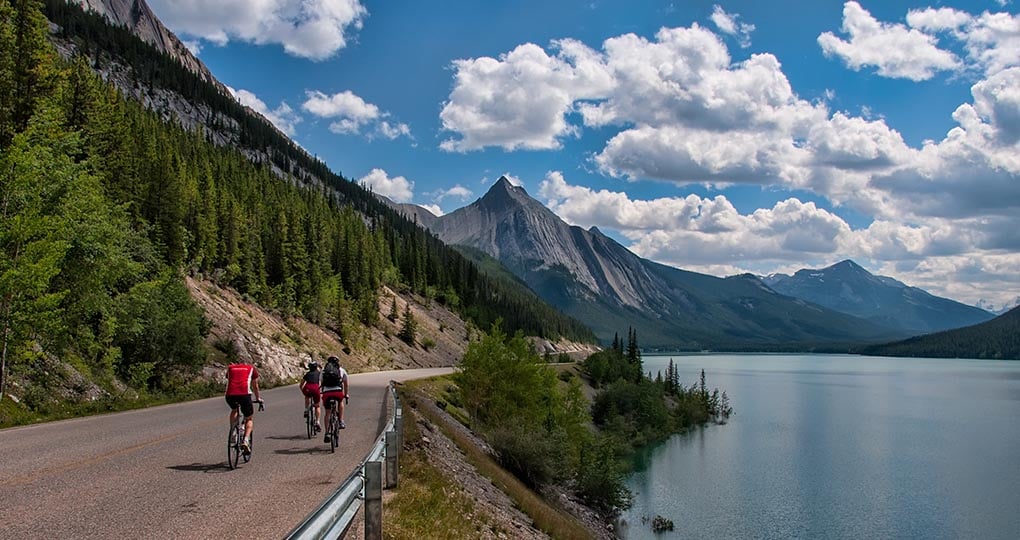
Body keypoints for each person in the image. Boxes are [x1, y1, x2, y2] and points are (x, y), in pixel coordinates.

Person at [225, 357, 262, 454]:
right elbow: (255, 385)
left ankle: (233, 432)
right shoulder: (251, 368)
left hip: (230, 395)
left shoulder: (230, 368)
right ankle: (245, 440)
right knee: (249, 418)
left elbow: (229, 378)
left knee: (234, 409)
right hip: (245, 394)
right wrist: (258, 398)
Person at [320, 355, 349, 444]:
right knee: (340, 401)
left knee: (328, 412)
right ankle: (341, 421)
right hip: (337, 392)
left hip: (326, 393)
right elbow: (346, 384)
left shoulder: (324, 371)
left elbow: (321, 383)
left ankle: (327, 433)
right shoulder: (341, 370)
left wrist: (323, 392)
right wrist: (346, 394)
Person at [300, 361, 322, 433]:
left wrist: (303, 392)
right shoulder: (319, 374)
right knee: (317, 406)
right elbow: (320, 383)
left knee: (307, 397)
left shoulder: (307, 374)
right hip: (316, 388)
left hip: (308, 388)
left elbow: (301, 384)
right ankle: (318, 422)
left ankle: (306, 409)